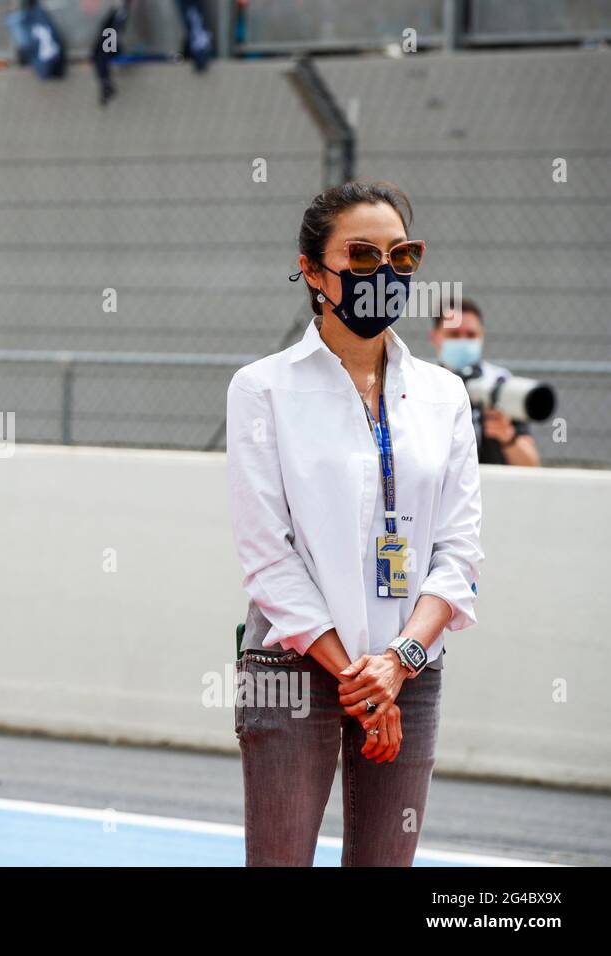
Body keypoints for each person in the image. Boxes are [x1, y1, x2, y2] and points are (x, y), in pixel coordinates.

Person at [225, 181, 483, 866]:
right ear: (313, 271)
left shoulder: (443, 395)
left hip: (410, 670)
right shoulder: (262, 388)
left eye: (402, 255)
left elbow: (458, 554)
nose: (386, 272)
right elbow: (267, 557)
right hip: (293, 664)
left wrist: (397, 665)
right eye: (362, 256)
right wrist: (358, 679)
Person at [431, 297, 541, 466]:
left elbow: (531, 464)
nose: (463, 341)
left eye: (471, 334)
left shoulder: (500, 385)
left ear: (481, 336)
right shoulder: (423, 385)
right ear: (436, 337)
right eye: (454, 334)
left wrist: (507, 436)